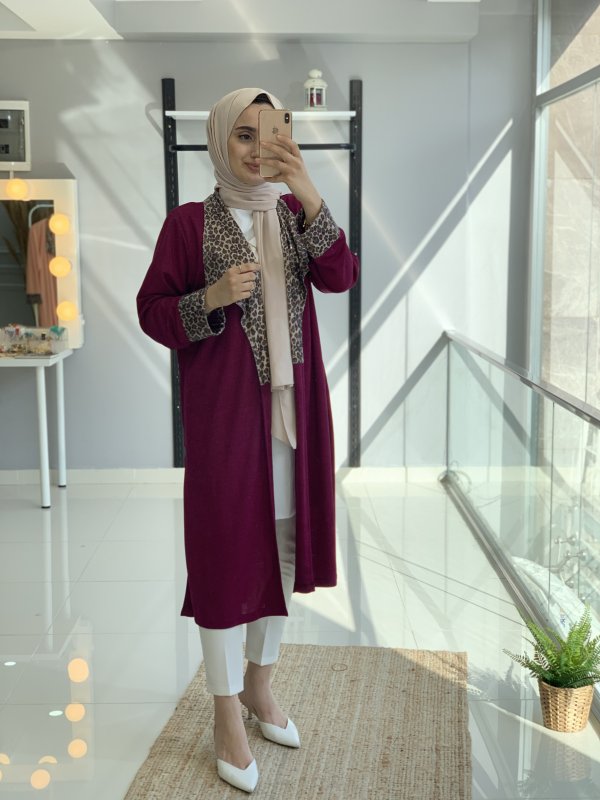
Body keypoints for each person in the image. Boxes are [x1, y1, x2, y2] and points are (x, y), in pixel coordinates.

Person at [136, 87, 359, 793]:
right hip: (227, 425)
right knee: (224, 560)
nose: (258, 150)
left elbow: (340, 276)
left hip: (295, 423)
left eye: (270, 134)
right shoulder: (188, 224)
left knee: (282, 551)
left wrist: (307, 187)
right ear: (219, 142)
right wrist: (211, 298)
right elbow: (151, 312)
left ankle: (261, 687)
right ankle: (225, 712)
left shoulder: (293, 214)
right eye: (243, 136)